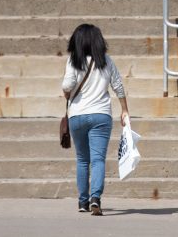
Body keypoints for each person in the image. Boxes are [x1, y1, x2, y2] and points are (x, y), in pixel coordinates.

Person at [62, 23, 129, 215]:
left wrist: (67, 92)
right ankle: (95, 199)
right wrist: (124, 110)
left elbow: (67, 85)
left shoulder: (73, 61)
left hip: (78, 115)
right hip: (101, 115)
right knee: (98, 160)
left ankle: (82, 202)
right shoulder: (106, 61)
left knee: (82, 159)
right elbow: (118, 86)